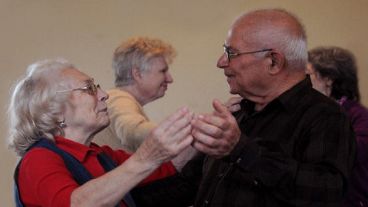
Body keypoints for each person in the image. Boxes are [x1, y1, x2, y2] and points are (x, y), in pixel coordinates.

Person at [131, 8, 356, 207]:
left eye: (232, 53)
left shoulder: (324, 116)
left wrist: (242, 151)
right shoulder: (239, 112)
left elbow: (327, 193)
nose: (221, 62)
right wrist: (113, 194)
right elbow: (188, 185)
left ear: (273, 62)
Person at [8, 58, 194, 207]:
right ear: (54, 111)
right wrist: (145, 158)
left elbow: (167, 167)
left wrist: (202, 137)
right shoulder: (38, 158)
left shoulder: (100, 155)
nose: (104, 94)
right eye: (89, 88)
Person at [307, 46, 368, 207]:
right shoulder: (312, 112)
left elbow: (355, 151)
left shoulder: (359, 115)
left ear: (328, 79)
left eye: (309, 75)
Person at [94, 37, 176, 153]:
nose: (170, 79)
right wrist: (184, 132)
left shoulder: (118, 98)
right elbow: (132, 130)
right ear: (137, 74)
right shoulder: (120, 99)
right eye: (163, 71)